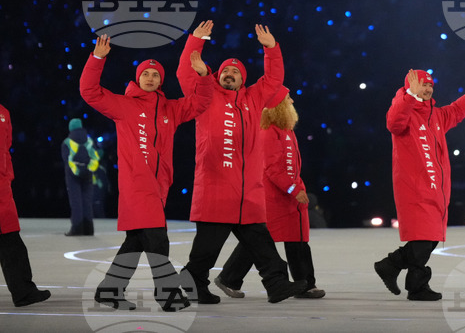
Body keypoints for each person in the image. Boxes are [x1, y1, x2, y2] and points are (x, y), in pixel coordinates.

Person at [80, 34, 214, 312]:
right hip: (137, 186)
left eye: (155, 74)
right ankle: (168, 296)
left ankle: (109, 291)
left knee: (136, 241)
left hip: (159, 186)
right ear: (137, 78)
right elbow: (89, 91)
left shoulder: (171, 109)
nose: (150, 78)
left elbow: (201, 104)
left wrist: (203, 76)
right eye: (146, 74)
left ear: (160, 81)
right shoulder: (123, 104)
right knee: (157, 240)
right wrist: (97, 59)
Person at [177, 20, 307, 304]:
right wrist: (195, 42)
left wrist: (271, 49)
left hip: (247, 192)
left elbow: (273, 81)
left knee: (260, 241)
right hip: (216, 188)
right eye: (225, 71)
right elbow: (187, 74)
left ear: (243, 79)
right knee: (207, 249)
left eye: (235, 72)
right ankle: (193, 281)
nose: (229, 74)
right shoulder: (205, 95)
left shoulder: (253, 97)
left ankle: (276, 284)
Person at [374, 68, 465, 301]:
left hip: (435, 188)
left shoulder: (434, 115)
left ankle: (415, 285)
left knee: (429, 237)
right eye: (422, 85)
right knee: (425, 238)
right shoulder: (404, 110)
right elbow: (393, 122)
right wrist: (409, 96)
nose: (426, 89)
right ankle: (390, 266)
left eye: (429, 86)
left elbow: (455, 111)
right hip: (414, 187)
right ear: (410, 86)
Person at [215, 86, 325, 299]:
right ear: (278, 106)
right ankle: (229, 277)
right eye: (288, 99)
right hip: (275, 197)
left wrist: (296, 188)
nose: (292, 102)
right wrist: (293, 189)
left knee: (297, 239)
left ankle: (306, 284)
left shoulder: (284, 129)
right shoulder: (268, 132)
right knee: (261, 242)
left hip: (289, 195)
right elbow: (273, 168)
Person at [0, 101, 51, 307]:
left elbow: (7, 145)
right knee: (11, 242)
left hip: (2, 186)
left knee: (11, 241)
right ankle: (23, 292)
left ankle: (23, 292)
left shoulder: (3, 112)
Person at [62, 117, 99, 236]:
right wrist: (89, 170)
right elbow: (96, 158)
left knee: (76, 201)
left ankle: (77, 229)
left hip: (73, 176)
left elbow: (68, 161)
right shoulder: (89, 141)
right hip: (88, 174)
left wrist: (78, 171)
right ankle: (88, 229)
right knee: (87, 201)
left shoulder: (67, 142)